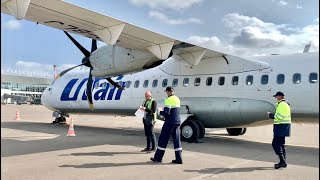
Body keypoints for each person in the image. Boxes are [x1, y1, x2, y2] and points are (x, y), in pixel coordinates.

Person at [150, 86, 183, 164]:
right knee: (177, 141)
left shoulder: (168, 100)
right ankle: (179, 158)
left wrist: (160, 111)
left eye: (166, 92)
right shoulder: (177, 99)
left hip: (169, 122)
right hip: (177, 122)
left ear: (168, 92)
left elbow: (166, 112)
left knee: (163, 139)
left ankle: (158, 158)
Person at [267, 91, 291, 169]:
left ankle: (282, 161)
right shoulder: (286, 104)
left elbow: (279, 116)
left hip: (280, 126)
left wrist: (271, 115)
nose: (276, 98)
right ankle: (283, 161)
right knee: (281, 144)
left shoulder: (281, 105)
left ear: (280, 96)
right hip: (284, 126)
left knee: (275, 143)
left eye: (276, 96)